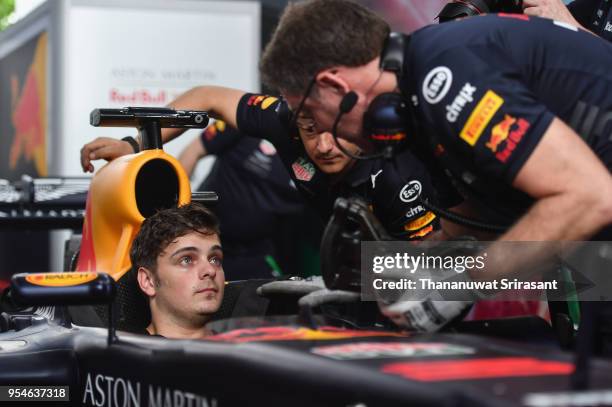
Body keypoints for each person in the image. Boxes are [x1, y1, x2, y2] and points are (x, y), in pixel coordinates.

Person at [258, 0, 612, 330]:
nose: (322, 135)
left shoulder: (443, 74)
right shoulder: (415, 95)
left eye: (315, 118)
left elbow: (591, 196)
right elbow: (472, 226)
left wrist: (464, 283)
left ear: (334, 86)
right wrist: (371, 282)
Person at [81, 88, 453, 242]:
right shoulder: (280, 118)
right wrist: (135, 142)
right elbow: (206, 98)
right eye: (310, 130)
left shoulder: (398, 170)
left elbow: (443, 267)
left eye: (335, 132)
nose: (323, 146)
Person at [177, 121, 306, 280]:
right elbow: (193, 151)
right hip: (205, 237)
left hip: (259, 254)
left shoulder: (315, 150)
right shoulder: (246, 118)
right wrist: (177, 213)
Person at [130, 202, 224, 339]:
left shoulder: (249, 350)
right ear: (148, 281)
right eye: (186, 260)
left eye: (215, 259)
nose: (210, 270)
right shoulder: (125, 358)